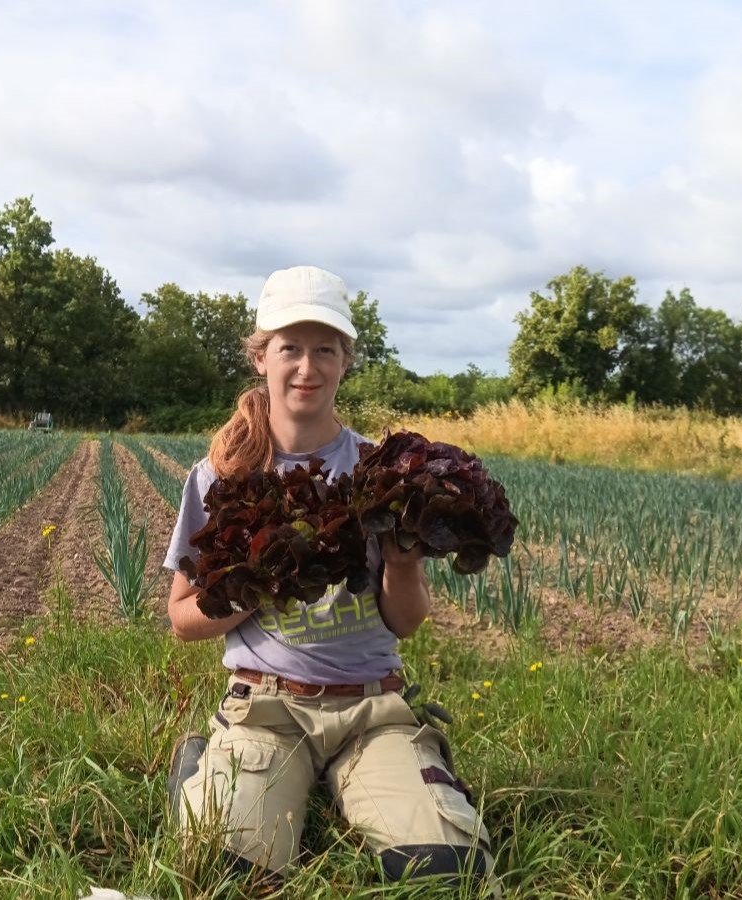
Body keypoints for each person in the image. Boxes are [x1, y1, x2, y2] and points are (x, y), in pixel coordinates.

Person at [162, 265, 498, 893]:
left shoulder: (383, 470)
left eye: (325, 349)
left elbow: (406, 621)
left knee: (448, 877)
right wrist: (253, 585)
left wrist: (401, 560)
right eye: (290, 348)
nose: (307, 367)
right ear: (262, 358)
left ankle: (404, 773)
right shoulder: (220, 476)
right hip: (267, 708)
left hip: (372, 707)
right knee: (226, 879)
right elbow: (182, 620)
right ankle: (205, 766)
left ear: (346, 361)